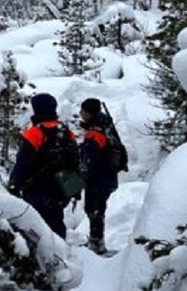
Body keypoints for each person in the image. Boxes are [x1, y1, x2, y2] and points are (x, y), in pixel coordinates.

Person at [7, 93, 80, 239]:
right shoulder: (66, 132)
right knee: (56, 222)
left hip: (38, 188)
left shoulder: (35, 133)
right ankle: (61, 253)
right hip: (61, 186)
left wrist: (14, 185)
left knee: (35, 226)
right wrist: (74, 188)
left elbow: (23, 163)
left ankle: (41, 256)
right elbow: (74, 161)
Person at [78, 97, 119, 255]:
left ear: (90, 112)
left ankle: (96, 243)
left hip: (98, 178)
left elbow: (91, 159)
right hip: (107, 176)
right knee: (98, 209)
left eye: (83, 110)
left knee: (94, 210)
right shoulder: (106, 125)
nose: (80, 113)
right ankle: (96, 241)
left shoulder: (95, 132)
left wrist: (83, 176)